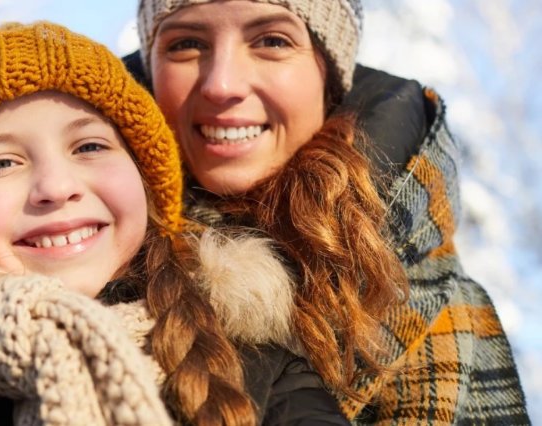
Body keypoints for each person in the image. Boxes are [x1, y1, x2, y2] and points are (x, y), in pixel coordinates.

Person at [0, 21, 350, 426]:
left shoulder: (260, 369)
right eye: (2, 163)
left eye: (90, 146)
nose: (56, 186)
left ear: (146, 183)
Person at [128, 0, 530, 424]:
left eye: (271, 40)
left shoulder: (434, 311)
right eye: (187, 43)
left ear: (330, 75)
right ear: (149, 68)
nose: (221, 84)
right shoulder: (77, 250)